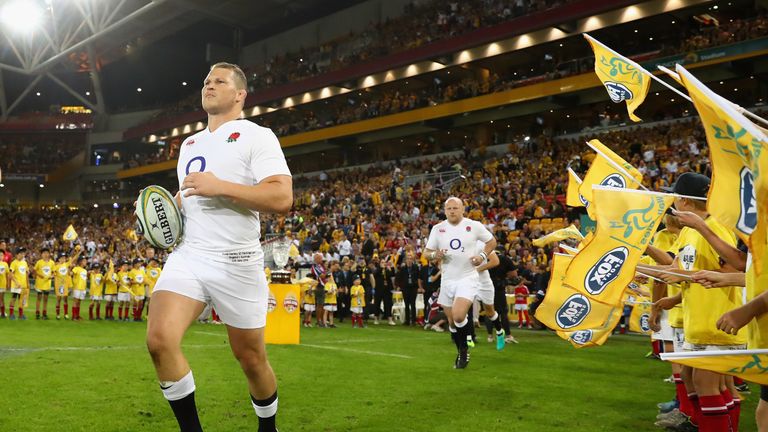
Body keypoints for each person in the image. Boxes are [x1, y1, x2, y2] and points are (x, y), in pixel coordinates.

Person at [145, 62, 292, 432]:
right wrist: (160, 212)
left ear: (240, 94)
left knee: (251, 358)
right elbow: (189, 195)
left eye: (219, 81)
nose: (209, 85)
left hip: (237, 261)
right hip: (190, 256)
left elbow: (281, 196)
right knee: (160, 340)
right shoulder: (190, 143)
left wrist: (221, 186)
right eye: (206, 80)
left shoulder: (258, 136)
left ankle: (267, 427)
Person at [654, 173, 746, 431]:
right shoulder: (687, 233)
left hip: (718, 319)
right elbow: (677, 269)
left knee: (709, 384)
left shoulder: (717, 225)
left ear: (684, 200)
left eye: (676, 196)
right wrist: (641, 269)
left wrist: (673, 275)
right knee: (698, 379)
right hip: (698, 320)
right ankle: (701, 423)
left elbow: (734, 270)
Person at [422, 196, 497, 369]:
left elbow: (491, 241)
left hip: (467, 277)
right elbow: (426, 253)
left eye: (455, 208)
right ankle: (461, 349)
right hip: (447, 280)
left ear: (463, 209)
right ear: (444, 211)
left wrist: (482, 256)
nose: (452, 211)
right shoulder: (438, 229)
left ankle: (464, 350)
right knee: (452, 322)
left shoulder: (474, 226)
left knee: (458, 315)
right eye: (449, 209)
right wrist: (435, 255)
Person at [397, 254, 422, 326]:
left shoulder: (415, 267)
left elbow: (418, 277)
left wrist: (419, 287)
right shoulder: (403, 268)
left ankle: (413, 321)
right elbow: (400, 278)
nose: (409, 260)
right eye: (408, 259)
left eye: (410, 259)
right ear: (406, 260)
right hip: (405, 288)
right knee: (406, 304)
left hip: (413, 287)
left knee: (413, 304)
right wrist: (400, 286)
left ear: (412, 260)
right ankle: (407, 320)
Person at [33, 247, 55, 319]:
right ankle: (37, 313)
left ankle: (44, 314)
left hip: (47, 284)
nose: (45, 254)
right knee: (39, 298)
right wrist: (39, 275)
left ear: (49, 254)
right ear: (41, 254)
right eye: (44, 253)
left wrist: (52, 276)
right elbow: (34, 271)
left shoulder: (52, 263)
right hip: (39, 283)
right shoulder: (39, 262)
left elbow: (54, 272)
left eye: (47, 253)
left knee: (45, 299)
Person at [8, 247, 29, 320]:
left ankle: (21, 314)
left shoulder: (25, 263)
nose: (22, 255)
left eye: (23, 253)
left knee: (21, 300)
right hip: (16, 285)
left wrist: (27, 284)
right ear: (17, 254)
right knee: (14, 298)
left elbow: (26, 274)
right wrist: (16, 282)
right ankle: (11, 314)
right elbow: (10, 274)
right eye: (21, 253)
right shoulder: (14, 263)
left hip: (23, 285)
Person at [70, 256, 88, 321]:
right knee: (75, 301)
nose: (86, 262)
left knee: (79, 302)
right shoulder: (76, 268)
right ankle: (73, 316)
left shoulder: (85, 270)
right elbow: (71, 273)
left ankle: (77, 315)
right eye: (84, 261)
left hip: (82, 288)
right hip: (77, 287)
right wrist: (70, 268)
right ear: (80, 262)